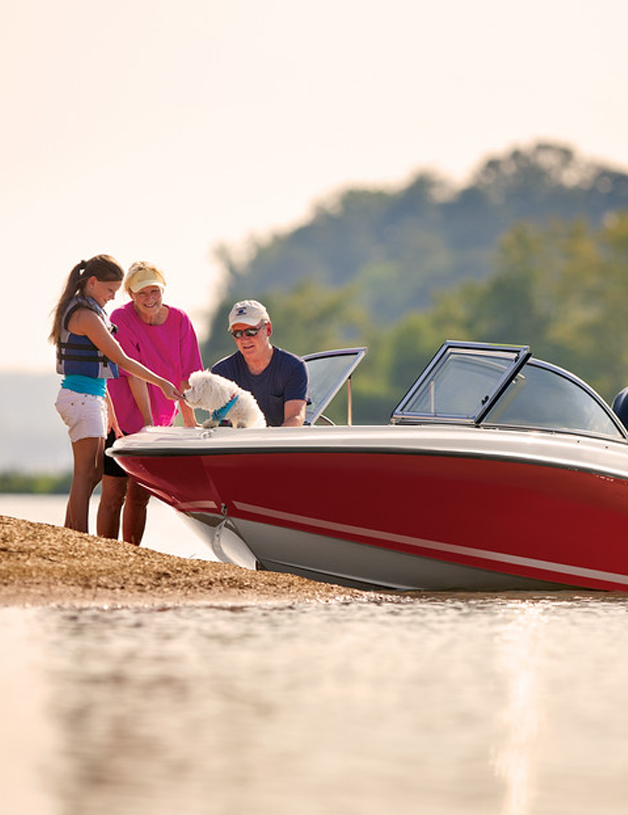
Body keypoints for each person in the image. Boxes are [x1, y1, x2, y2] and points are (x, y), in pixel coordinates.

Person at [50, 255, 184, 534]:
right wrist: (160, 382)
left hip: (91, 397)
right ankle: (77, 535)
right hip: (80, 398)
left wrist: (109, 410)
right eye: (110, 290)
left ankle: (70, 529)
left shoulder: (89, 311)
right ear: (93, 282)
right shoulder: (85, 316)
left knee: (94, 472)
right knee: (86, 473)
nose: (113, 297)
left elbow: (102, 371)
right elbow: (121, 360)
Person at [96, 261, 203, 545]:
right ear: (130, 294)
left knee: (140, 494)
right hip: (123, 419)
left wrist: (190, 422)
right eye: (142, 293)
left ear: (162, 290)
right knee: (113, 492)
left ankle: (131, 553)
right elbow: (134, 374)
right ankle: (104, 552)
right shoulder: (120, 318)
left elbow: (187, 377)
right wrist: (146, 425)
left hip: (159, 421)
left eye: (154, 291)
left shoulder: (180, 320)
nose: (150, 298)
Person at [211, 299, 310, 427]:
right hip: (238, 444)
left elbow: (295, 418)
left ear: (268, 329)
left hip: (281, 445)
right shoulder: (221, 373)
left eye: (250, 331)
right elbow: (219, 422)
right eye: (237, 333)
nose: (244, 339)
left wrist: (269, 444)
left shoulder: (293, 367)